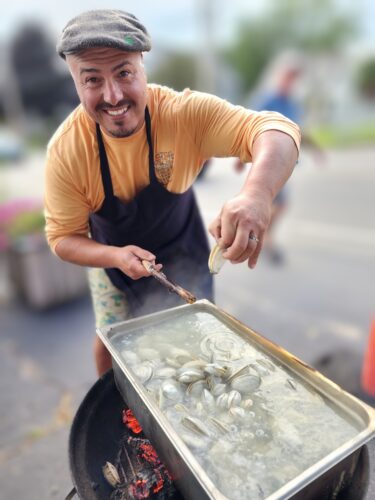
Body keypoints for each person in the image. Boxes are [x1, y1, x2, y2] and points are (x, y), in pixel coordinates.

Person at [44, 9, 300, 376]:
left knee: (198, 343)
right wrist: (115, 256)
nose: (113, 95)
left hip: (183, 246)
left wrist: (257, 194)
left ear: (143, 65)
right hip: (111, 254)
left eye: (124, 73)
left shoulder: (183, 114)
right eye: (92, 80)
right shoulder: (66, 151)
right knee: (110, 343)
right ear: (75, 82)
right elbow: (62, 239)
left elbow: (278, 130)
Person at [235, 54, 324, 263]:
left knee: (278, 205)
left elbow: (299, 131)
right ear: (280, 76)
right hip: (266, 163)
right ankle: (259, 239)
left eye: (294, 78)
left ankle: (258, 237)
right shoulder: (267, 99)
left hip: (285, 165)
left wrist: (317, 150)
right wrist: (240, 158)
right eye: (288, 76)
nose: (291, 81)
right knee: (270, 204)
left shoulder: (292, 104)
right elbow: (245, 126)